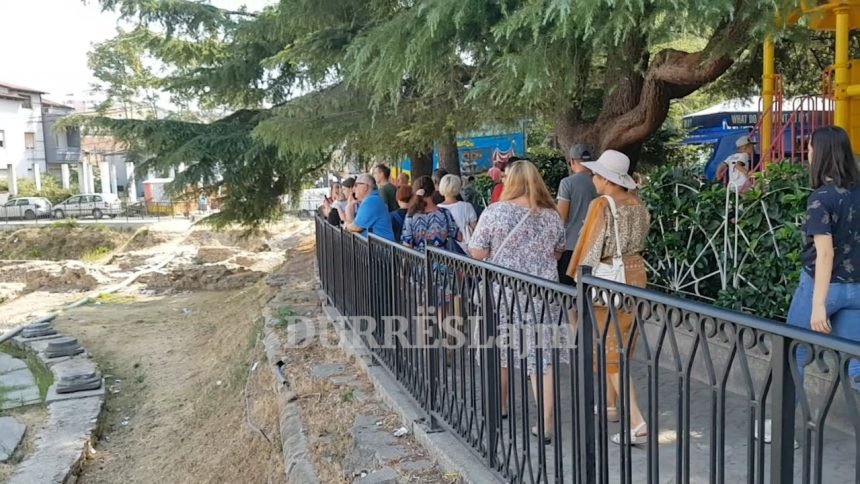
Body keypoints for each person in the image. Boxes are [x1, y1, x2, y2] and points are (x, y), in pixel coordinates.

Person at [469, 159, 566, 444]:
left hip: (504, 293)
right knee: (542, 357)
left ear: (510, 181)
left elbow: (477, 252)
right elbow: (558, 251)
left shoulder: (495, 212)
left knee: (500, 350)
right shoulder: (551, 215)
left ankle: (499, 406)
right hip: (543, 294)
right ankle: (545, 423)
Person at [567, 150, 649, 446]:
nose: (593, 179)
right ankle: (611, 406)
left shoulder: (601, 204)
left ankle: (637, 421)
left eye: (596, 174)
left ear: (607, 179)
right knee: (620, 344)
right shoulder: (638, 204)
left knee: (609, 348)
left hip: (608, 280)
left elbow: (590, 246)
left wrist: (578, 277)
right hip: (635, 275)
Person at [788, 125, 860, 389]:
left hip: (821, 288)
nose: (807, 153)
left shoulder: (821, 198)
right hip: (857, 289)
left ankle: (784, 417)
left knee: (793, 353)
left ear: (819, 153)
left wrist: (818, 305)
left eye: (809, 147)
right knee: (856, 364)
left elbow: (825, 253)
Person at [556, 144, 598, 285]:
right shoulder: (601, 183)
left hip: (570, 246)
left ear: (572, 161)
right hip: (593, 246)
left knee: (567, 291)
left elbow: (562, 217)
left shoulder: (567, 183)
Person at [401, 176, 462, 251]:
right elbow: (459, 237)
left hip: (419, 257)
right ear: (433, 192)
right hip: (442, 257)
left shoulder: (410, 216)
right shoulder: (444, 213)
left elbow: (407, 245)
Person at [347, 174, 396, 241]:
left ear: (365, 187)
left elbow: (356, 227)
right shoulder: (372, 200)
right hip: (379, 245)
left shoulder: (371, 201)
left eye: (356, 185)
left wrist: (346, 225)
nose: (353, 189)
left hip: (381, 246)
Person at [438, 174, 477, 253]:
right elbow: (475, 229)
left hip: (444, 251)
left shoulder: (437, 209)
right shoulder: (467, 207)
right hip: (465, 250)